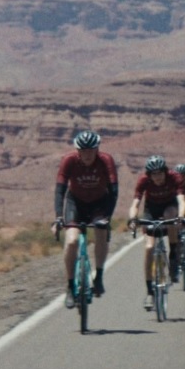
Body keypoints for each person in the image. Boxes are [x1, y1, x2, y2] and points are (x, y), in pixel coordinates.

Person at [54, 130, 118, 309]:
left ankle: (98, 276)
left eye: (92, 150)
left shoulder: (106, 160)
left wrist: (108, 217)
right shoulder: (69, 160)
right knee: (72, 240)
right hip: (75, 203)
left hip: (100, 203)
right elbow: (60, 190)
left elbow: (114, 191)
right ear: (78, 151)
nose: (88, 154)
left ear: (97, 150)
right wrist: (59, 217)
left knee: (100, 231)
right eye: (84, 150)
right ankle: (69, 286)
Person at [127, 155, 185, 311]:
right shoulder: (143, 181)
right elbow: (135, 204)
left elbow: (182, 201)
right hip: (151, 211)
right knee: (149, 248)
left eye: (160, 173)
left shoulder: (174, 178)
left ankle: (173, 255)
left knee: (171, 217)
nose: (158, 177)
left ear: (165, 172)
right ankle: (149, 293)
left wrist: (181, 217)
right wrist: (133, 219)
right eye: (154, 174)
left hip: (170, 207)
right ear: (149, 175)